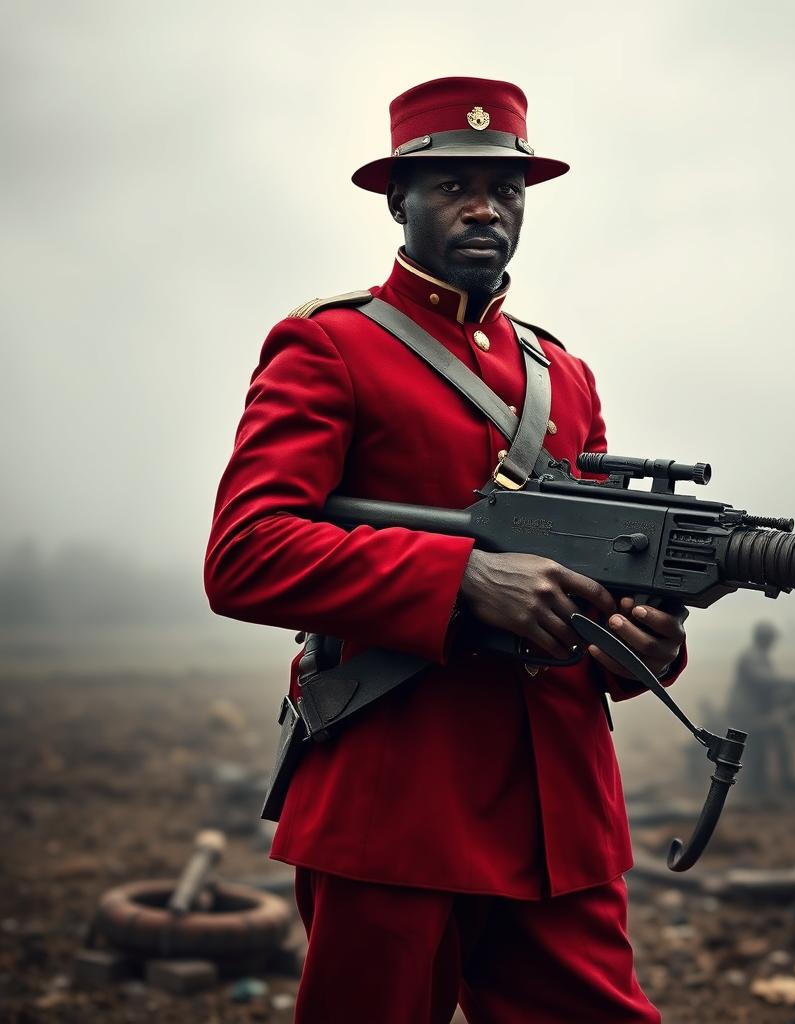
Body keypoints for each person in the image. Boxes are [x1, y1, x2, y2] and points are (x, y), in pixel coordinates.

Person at [205, 77, 688, 1024]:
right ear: (398, 200)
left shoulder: (564, 375)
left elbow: (599, 569)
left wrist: (641, 641)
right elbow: (245, 550)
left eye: (505, 189)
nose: (484, 207)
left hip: (560, 809)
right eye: (452, 185)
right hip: (396, 797)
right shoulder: (330, 345)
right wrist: (462, 580)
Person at [726, 622, 795, 794]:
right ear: (764, 638)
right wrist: (792, 683)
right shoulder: (752, 656)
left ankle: (774, 783)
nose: (773, 642)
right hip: (748, 712)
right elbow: (763, 680)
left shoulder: (760, 655)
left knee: (774, 745)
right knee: (756, 750)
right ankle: (755, 788)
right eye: (770, 638)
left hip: (756, 711)